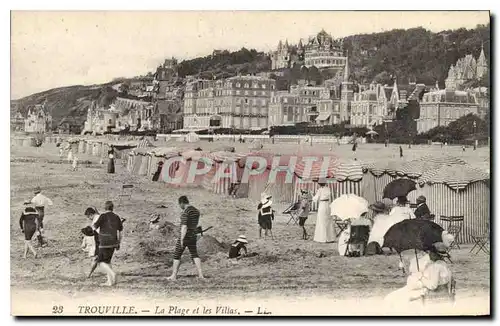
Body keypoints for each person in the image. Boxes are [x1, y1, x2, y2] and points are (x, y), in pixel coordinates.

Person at [384, 242, 453, 304]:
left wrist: (421, 277)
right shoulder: (443, 263)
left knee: (397, 297)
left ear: (434, 253)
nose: (428, 254)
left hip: (431, 291)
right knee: (398, 294)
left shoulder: (436, 267)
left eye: (430, 252)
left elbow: (432, 286)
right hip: (435, 289)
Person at [168, 196, 204, 281]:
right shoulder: (196, 211)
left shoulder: (185, 212)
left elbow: (184, 227)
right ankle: (201, 275)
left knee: (177, 255)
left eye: (179, 205)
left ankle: (173, 276)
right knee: (194, 254)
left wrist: (181, 239)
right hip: (193, 235)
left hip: (185, 236)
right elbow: (194, 224)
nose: (180, 206)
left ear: (182, 203)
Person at [91, 201, 123, 286]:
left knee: (100, 262)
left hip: (104, 242)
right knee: (108, 262)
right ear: (112, 208)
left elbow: (94, 227)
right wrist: (118, 243)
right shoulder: (117, 217)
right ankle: (110, 282)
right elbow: (120, 232)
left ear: (105, 208)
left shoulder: (103, 216)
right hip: (113, 242)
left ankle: (113, 274)